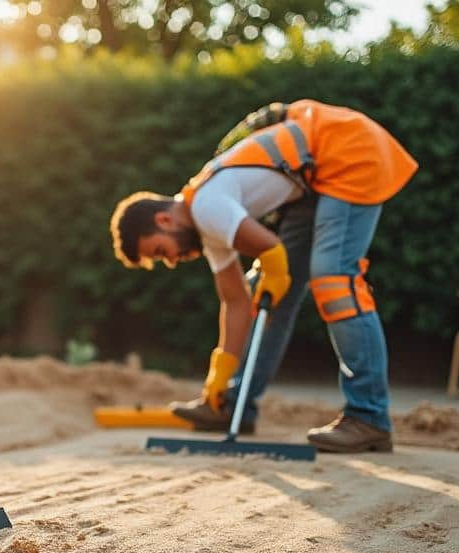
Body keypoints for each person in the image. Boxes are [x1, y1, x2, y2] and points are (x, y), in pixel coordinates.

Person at [108, 100, 416, 452]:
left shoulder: (206, 206)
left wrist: (273, 271)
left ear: (164, 220)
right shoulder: (205, 224)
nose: (173, 261)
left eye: (161, 252)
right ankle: (233, 405)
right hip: (313, 178)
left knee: (333, 279)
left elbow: (271, 250)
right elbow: (235, 302)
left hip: (347, 150)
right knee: (265, 296)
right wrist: (217, 380)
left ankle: (369, 417)